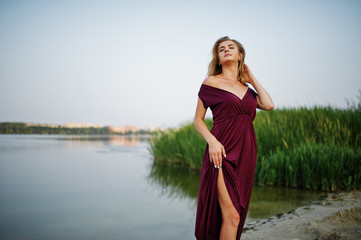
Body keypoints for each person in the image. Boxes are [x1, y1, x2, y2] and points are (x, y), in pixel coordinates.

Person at [194, 36, 274, 240]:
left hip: (247, 152)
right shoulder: (211, 82)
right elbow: (198, 121)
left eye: (231, 47)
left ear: (240, 56)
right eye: (221, 49)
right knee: (231, 216)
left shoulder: (247, 90)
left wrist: (252, 78)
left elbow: (268, 105)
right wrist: (212, 141)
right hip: (221, 151)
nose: (226, 50)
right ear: (218, 59)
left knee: (236, 213)